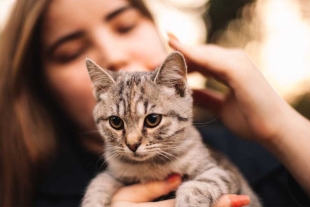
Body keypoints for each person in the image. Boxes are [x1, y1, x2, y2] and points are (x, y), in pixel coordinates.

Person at [0, 0, 309, 206]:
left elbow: (221, 175)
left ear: (178, 87)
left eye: (125, 26)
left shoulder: (255, 150)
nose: (132, 142)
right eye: (70, 52)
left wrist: (279, 127)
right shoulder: (28, 190)